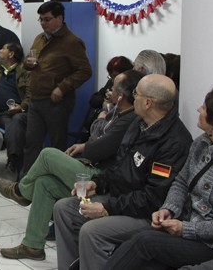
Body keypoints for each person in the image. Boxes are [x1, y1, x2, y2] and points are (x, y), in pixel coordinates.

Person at [0, 70, 143, 261]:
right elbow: (95, 136)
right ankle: (32, 246)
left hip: (99, 179)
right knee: (44, 183)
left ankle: (21, 192)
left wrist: (90, 140)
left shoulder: (128, 119)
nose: (108, 91)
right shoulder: (118, 112)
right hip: (93, 169)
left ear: (122, 96)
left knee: (48, 154)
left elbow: (99, 147)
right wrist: (91, 139)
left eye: (112, 88)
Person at [53, 74, 193, 270]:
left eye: (136, 93)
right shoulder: (138, 123)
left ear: (148, 103)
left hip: (147, 215)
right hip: (122, 199)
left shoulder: (174, 142)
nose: (132, 97)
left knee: (92, 231)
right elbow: (119, 167)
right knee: (64, 209)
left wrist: (107, 208)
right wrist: (98, 183)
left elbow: (153, 199)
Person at [102, 83, 213, 270]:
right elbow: (181, 182)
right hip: (183, 226)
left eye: (204, 108)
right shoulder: (201, 143)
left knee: (143, 241)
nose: (198, 108)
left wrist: (186, 229)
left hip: (209, 243)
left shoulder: (177, 139)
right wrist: (169, 208)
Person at [22, 1, 93, 177]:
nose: (43, 23)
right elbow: (29, 60)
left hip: (56, 102)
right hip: (36, 99)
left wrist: (62, 88)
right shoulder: (39, 38)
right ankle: (26, 182)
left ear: (59, 18)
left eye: (47, 19)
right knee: (31, 142)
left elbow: (85, 71)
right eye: (40, 19)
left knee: (56, 145)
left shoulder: (71, 41)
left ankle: (55, 180)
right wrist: (28, 63)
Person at [0, 42, 30, 173]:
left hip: (21, 112)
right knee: (12, 124)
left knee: (18, 120)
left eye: (3, 49)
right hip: (0, 113)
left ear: (11, 54)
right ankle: (16, 160)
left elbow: (31, 94)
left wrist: (22, 107)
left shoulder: (24, 71)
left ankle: (14, 158)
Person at [82, 56, 134, 143]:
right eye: (110, 76)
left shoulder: (130, 87)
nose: (113, 80)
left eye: (115, 76)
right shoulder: (110, 83)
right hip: (100, 125)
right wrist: (105, 99)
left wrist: (114, 103)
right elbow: (94, 100)